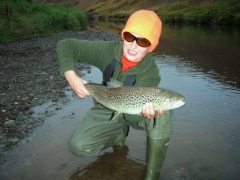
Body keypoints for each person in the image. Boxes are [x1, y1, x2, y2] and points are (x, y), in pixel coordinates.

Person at [57, 10, 173, 180]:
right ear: (123, 35)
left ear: (151, 46)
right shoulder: (107, 50)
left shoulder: (151, 73)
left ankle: (151, 175)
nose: (133, 45)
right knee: (78, 147)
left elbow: (132, 117)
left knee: (163, 113)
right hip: (107, 102)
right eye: (129, 37)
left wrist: (144, 112)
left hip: (133, 111)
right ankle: (116, 134)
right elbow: (65, 44)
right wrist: (71, 76)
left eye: (143, 41)